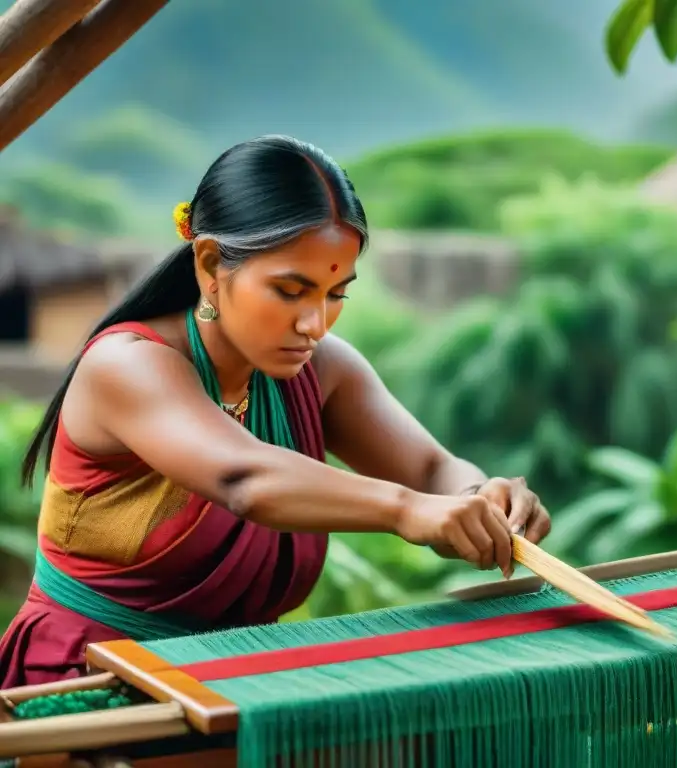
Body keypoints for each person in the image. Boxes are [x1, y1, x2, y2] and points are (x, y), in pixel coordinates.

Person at [0, 135, 551, 687]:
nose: (315, 323)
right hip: (84, 683)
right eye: (291, 291)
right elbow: (244, 478)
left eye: (336, 294)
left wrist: (482, 501)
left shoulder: (323, 369)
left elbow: (433, 470)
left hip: (237, 686)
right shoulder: (128, 366)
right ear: (211, 264)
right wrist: (408, 510)